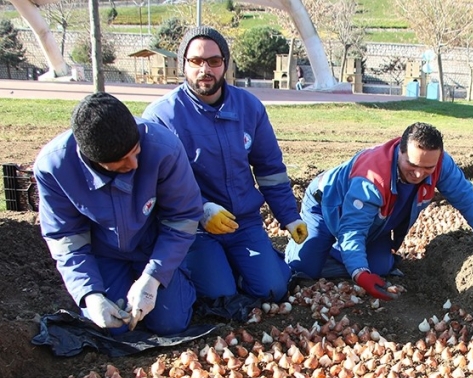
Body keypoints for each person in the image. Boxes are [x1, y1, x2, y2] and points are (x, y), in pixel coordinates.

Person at [143, 26, 307, 303]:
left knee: (273, 291)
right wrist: (201, 210)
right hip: (192, 227)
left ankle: (242, 267)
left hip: (243, 222)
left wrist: (289, 216)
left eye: (214, 61)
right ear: (184, 64)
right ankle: (212, 270)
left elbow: (270, 170)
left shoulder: (249, 107)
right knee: (220, 295)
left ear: (225, 65)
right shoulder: (161, 117)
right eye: (196, 61)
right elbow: (156, 185)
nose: (204, 69)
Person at [285, 122, 473, 300]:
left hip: (374, 219)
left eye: (427, 167)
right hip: (325, 206)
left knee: (380, 267)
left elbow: (466, 198)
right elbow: (352, 230)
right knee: (304, 269)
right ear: (400, 151)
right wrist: (359, 273)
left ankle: (342, 255)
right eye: (413, 165)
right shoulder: (370, 180)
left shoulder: (440, 164)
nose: (419, 174)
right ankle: (316, 251)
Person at [35, 93, 203, 335]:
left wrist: (153, 277)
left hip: (154, 247)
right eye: (121, 160)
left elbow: (183, 219)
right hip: (104, 252)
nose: (134, 164)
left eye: (136, 151)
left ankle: (177, 281)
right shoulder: (54, 167)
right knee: (112, 328)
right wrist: (89, 294)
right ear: (94, 159)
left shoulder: (164, 149)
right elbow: (66, 237)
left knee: (170, 323)